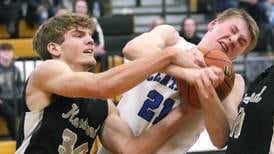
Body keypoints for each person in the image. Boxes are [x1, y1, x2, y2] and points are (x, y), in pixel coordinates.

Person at [15, 13, 224, 153]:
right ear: (54, 49)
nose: (90, 40)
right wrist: (170, 54)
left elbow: (131, 149)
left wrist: (185, 110)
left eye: (90, 36)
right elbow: (103, 85)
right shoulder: (46, 71)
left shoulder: (103, 105)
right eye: (78, 36)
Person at [97, 8, 259, 154]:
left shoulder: (233, 82)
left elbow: (221, 139)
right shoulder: (172, 38)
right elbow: (132, 48)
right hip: (116, 145)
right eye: (233, 30)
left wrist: (208, 94)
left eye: (241, 42)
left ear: (239, 56)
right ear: (213, 24)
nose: (233, 39)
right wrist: (185, 68)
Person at [0, 43, 23, 139]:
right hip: (2, 100)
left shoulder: (16, 69)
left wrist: (23, 96)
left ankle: (29, 137)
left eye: (9, 52)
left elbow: (20, 85)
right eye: (4, 52)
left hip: (15, 98)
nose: (7, 54)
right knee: (11, 114)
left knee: (29, 109)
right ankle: (16, 139)